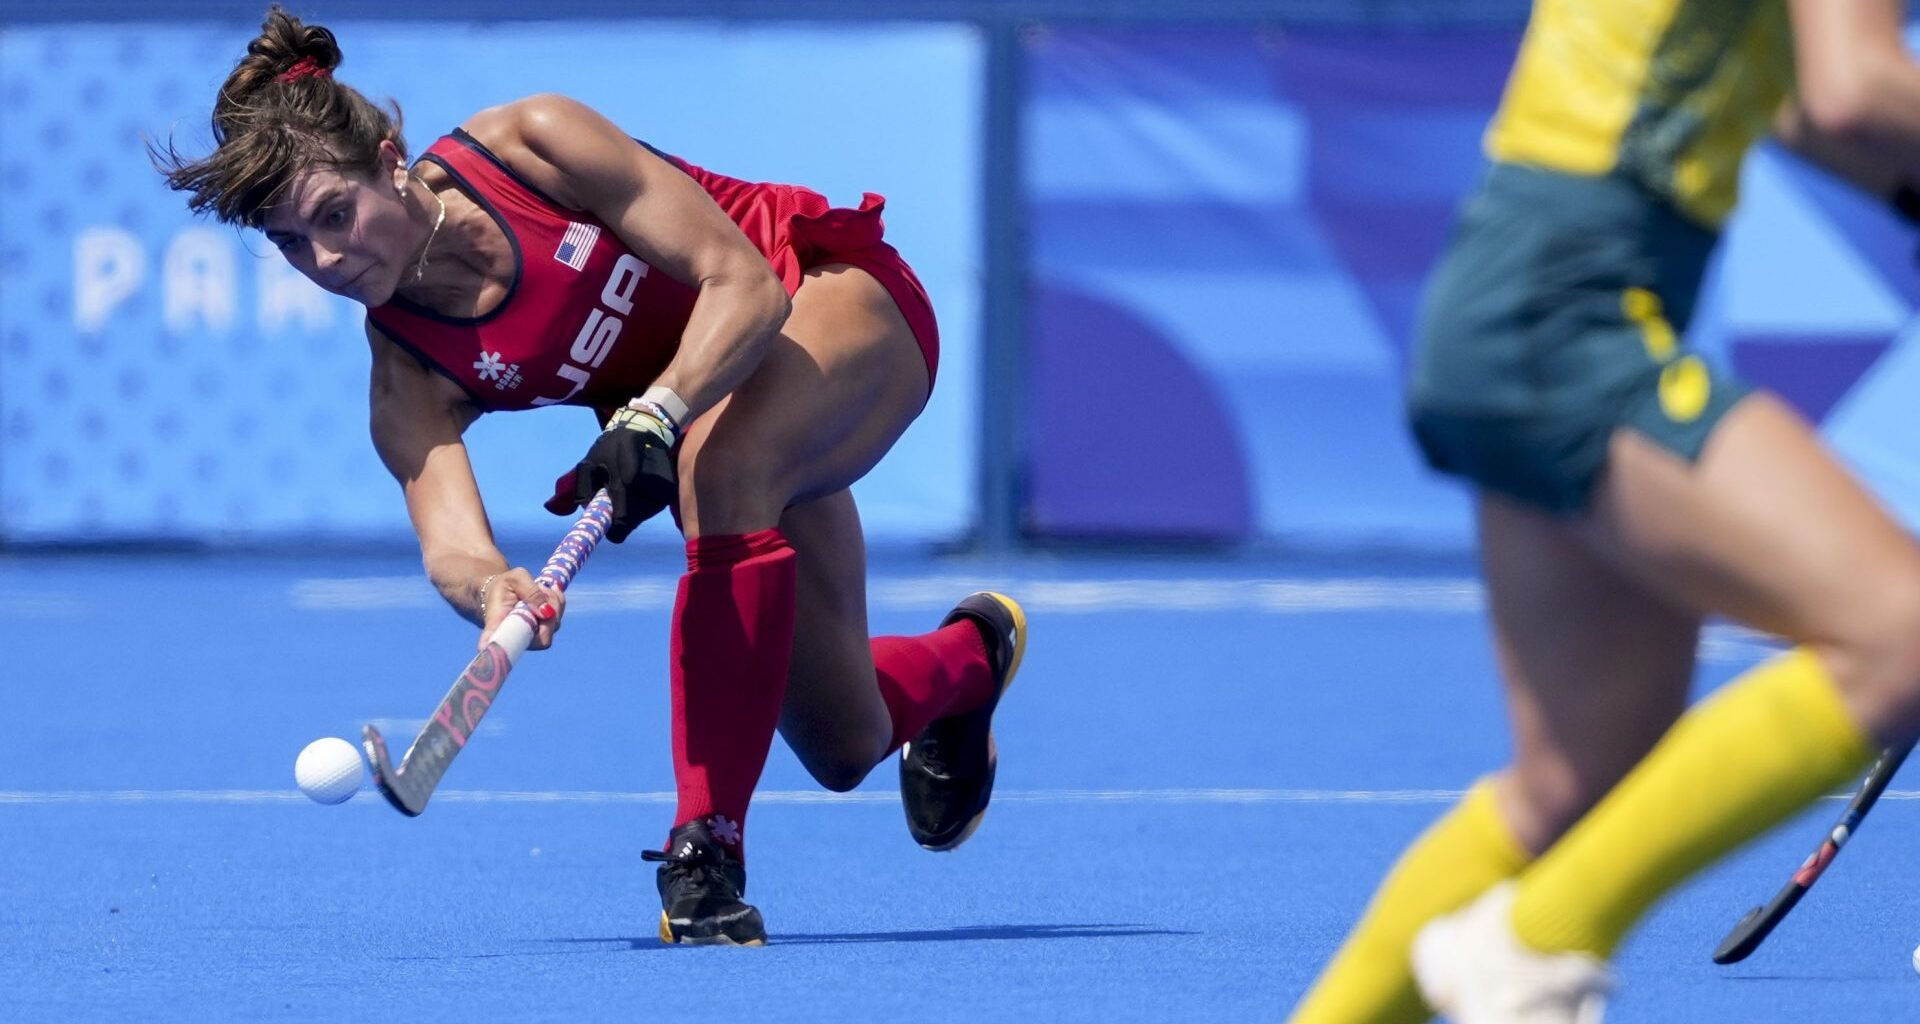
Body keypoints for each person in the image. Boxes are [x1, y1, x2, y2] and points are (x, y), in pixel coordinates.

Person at [157, 7, 1028, 947]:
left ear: (390, 157)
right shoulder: (407, 372)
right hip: (722, 427)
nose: (326, 259)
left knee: (716, 465)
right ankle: (972, 660)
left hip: (829, 304)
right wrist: (498, 589)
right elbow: (450, 542)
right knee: (847, 742)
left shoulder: (531, 145)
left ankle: (706, 850)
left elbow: (742, 284)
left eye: (335, 214)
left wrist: (654, 414)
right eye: (293, 244)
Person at [1289, 1, 1920, 1020]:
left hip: (1519, 285)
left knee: (1569, 783)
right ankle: (1536, 942)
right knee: (1900, 633)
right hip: (1572, 298)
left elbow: (1798, 99)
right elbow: (1854, 88)